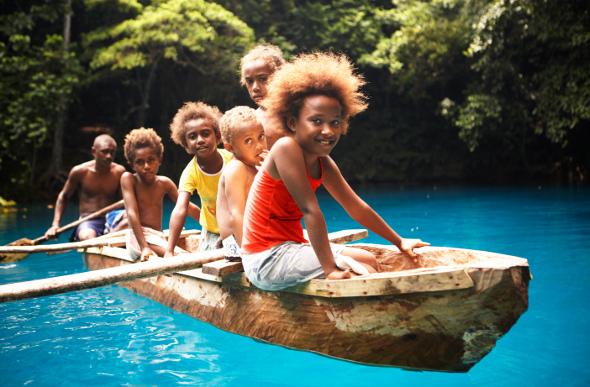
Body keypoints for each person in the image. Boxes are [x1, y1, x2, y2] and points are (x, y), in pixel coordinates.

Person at [241, 52, 430, 291]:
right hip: (265, 258)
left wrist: (400, 241)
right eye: (316, 121)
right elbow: (310, 211)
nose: (328, 131)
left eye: (335, 122)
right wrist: (330, 270)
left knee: (368, 260)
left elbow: (356, 207)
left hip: (291, 245)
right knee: (359, 271)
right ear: (292, 123)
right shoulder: (285, 148)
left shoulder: (324, 163)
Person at [120, 128, 200, 261]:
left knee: (185, 256)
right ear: (131, 165)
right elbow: (131, 213)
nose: (146, 166)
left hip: (157, 237)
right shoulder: (128, 179)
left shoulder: (165, 183)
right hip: (138, 239)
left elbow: (188, 207)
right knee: (184, 258)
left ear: (160, 159)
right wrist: (144, 247)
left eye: (151, 160)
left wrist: (212, 226)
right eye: (140, 162)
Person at [165, 102, 232, 257]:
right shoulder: (190, 173)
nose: (200, 140)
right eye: (193, 137)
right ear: (185, 144)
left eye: (205, 133)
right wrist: (169, 250)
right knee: (207, 267)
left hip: (240, 225)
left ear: (218, 136)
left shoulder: (232, 159)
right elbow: (181, 209)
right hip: (213, 231)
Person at [45, 134, 127, 241]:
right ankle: (105, 240)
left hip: (112, 216)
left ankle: (105, 239)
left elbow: (125, 201)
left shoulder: (119, 172)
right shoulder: (80, 172)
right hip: (89, 219)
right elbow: (64, 196)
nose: (109, 156)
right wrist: (55, 225)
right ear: (94, 151)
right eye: (105, 151)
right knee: (87, 236)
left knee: (133, 221)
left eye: (112, 152)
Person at [216, 106, 267, 260]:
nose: (258, 145)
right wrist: (249, 257)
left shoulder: (256, 166)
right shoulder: (236, 168)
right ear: (230, 148)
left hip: (254, 234)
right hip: (236, 242)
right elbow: (236, 215)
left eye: (261, 136)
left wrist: (270, 169)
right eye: (248, 141)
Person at [240, 43, 286, 149]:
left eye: (262, 79)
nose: (255, 88)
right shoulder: (251, 120)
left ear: (279, 76)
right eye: (249, 81)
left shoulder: (294, 113)